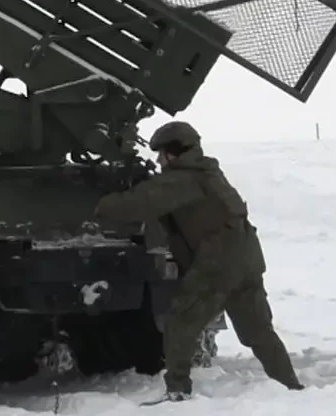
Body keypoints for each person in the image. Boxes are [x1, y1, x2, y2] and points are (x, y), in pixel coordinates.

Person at [93, 120, 304, 401]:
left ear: (175, 152)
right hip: (246, 261)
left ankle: (177, 390)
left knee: (181, 323)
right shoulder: (208, 172)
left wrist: (99, 204)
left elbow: (136, 205)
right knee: (258, 331)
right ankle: (292, 388)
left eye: (162, 154)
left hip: (217, 265)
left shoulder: (183, 180)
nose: (159, 160)